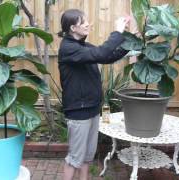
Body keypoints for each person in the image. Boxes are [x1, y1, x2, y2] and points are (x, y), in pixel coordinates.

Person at [58, 9, 130, 180]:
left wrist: (129, 40)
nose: (88, 24)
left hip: (91, 109)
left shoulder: (83, 47)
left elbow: (108, 57)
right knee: (74, 158)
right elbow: (101, 53)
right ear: (73, 28)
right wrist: (117, 31)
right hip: (78, 111)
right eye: (84, 23)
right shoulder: (68, 48)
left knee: (87, 156)